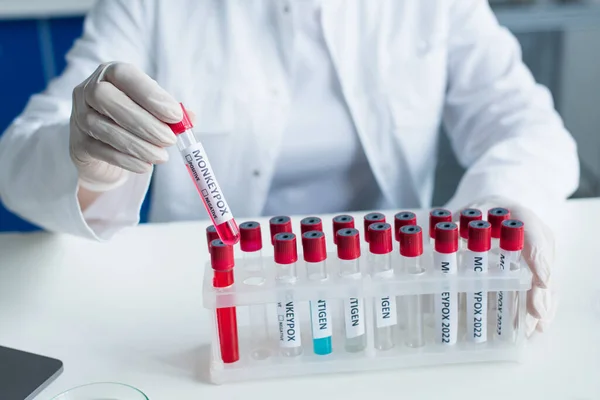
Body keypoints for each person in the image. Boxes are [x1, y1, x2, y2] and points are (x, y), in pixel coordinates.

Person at [0, 0, 578, 336]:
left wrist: (495, 214)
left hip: (387, 300)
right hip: (219, 308)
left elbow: (525, 124)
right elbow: (17, 162)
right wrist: (89, 164)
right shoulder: (154, 6)